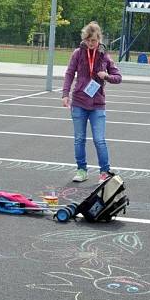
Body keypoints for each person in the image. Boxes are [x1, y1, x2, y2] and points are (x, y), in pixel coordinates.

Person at [62, 22, 122, 183]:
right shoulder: (77, 53)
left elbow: (118, 77)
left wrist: (106, 76)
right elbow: (69, 74)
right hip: (79, 102)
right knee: (79, 139)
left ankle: (104, 172)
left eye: (93, 41)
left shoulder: (104, 56)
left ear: (99, 39)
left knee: (99, 139)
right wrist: (65, 94)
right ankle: (81, 170)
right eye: (88, 40)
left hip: (97, 104)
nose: (90, 44)